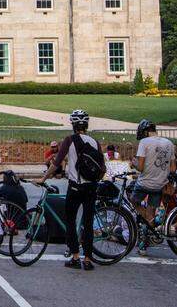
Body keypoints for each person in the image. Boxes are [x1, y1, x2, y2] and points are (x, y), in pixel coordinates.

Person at [41, 109, 102, 271]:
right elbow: (101, 167)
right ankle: (88, 259)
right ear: (86, 125)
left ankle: (75, 256)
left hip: (75, 186)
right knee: (88, 223)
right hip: (91, 186)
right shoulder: (95, 141)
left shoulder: (70, 140)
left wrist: (44, 178)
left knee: (70, 220)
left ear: (73, 125)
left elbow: (56, 163)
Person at [132, 119, 175, 254]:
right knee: (151, 212)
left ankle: (144, 218)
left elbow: (140, 167)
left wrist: (134, 163)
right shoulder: (169, 143)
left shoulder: (144, 142)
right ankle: (144, 244)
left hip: (144, 182)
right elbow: (173, 168)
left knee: (133, 200)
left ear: (145, 132)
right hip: (160, 184)